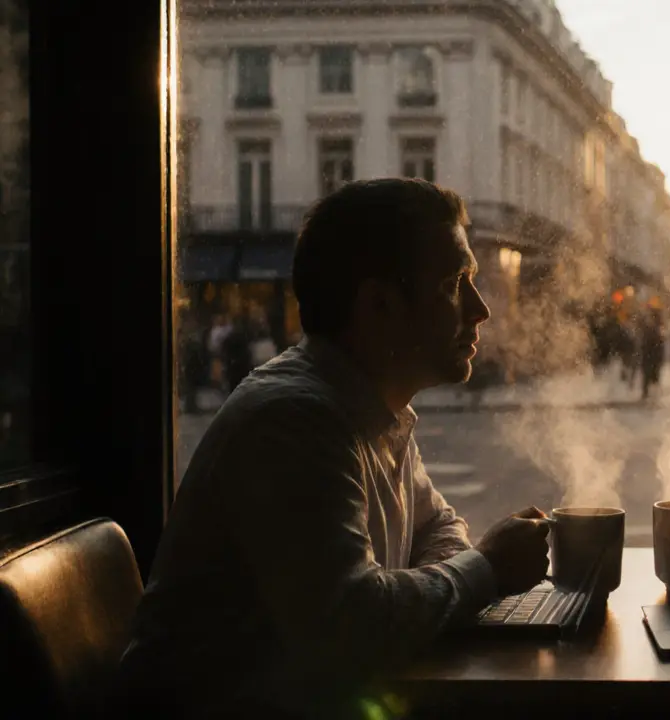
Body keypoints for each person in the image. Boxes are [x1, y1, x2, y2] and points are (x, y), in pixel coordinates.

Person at [119, 179, 552, 719]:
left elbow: (436, 528)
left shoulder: (370, 408)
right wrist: (485, 567)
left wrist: (422, 588)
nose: (481, 308)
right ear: (378, 305)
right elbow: (351, 627)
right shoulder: (294, 421)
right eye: (453, 283)